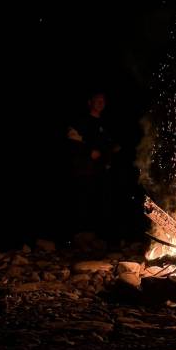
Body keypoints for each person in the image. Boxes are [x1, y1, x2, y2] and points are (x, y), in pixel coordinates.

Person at [65, 91, 120, 244]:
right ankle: (78, 235)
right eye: (97, 100)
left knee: (100, 200)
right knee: (82, 199)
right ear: (90, 102)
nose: (101, 103)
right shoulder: (82, 121)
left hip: (100, 171)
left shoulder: (104, 123)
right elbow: (71, 136)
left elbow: (110, 145)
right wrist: (89, 151)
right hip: (83, 169)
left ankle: (96, 235)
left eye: (103, 100)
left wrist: (110, 154)